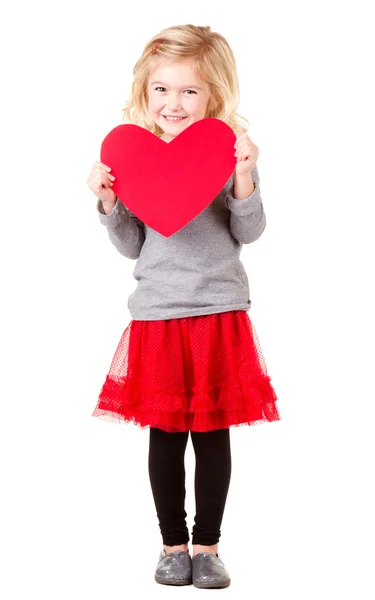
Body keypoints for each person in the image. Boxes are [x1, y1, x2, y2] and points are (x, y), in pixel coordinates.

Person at [87, 23, 280, 589]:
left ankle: (208, 547)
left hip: (218, 313)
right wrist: (109, 203)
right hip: (158, 317)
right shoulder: (135, 160)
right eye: (162, 91)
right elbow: (132, 247)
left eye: (190, 91)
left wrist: (243, 176)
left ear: (214, 95)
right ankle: (172, 546)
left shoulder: (226, 153)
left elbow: (252, 229)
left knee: (213, 436)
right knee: (165, 438)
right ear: (146, 95)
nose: (174, 103)